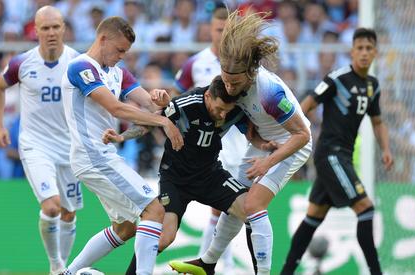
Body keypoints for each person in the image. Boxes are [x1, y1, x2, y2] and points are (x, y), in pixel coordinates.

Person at [171, 11, 312, 275]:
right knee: (233, 200)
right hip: (265, 144)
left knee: (253, 205)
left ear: (250, 72)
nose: (229, 87)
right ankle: (208, 262)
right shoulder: (230, 84)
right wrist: (256, 138)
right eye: (225, 79)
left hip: (291, 145)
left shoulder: (269, 91)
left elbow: (302, 135)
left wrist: (267, 162)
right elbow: (245, 119)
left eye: (234, 82)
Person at [106, 76, 275, 275]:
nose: (222, 115)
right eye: (218, 109)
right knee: (164, 237)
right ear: (208, 96)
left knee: (251, 211)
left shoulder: (235, 109)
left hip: (210, 174)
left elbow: (251, 135)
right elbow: (151, 123)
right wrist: (121, 137)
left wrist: (266, 146)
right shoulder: (186, 103)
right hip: (175, 178)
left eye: (226, 111)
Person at [59, 16, 183, 275]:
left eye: (126, 52)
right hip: (92, 156)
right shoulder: (81, 67)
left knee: (126, 227)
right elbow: (115, 107)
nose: (122, 56)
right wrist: (161, 121)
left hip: (103, 155)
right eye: (119, 50)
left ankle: (68, 273)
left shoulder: (118, 72)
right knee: (154, 208)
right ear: (103, 39)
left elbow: (149, 104)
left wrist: (161, 99)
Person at [280, 28, 394, 275]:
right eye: (360, 48)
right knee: (366, 208)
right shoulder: (338, 78)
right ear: (352, 52)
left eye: (369, 49)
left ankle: (286, 272)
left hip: (341, 156)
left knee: (313, 216)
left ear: (375, 53)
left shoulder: (372, 86)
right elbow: (309, 102)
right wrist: (292, 132)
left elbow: (377, 121)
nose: (364, 53)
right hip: (330, 153)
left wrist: (386, 148)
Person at [0, 6, 81, 274]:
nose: (51, 33)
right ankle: (55, 265)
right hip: (35, 145)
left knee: (68, 213)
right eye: (45, 28)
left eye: (56, 27)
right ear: (36, 31)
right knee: (51, 206)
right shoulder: (22, 63)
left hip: (70, 147)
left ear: (64, 28)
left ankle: (61, 269)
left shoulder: (78, 62)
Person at [172, 6, 246, 272]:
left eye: (226, 30)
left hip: (239, 147)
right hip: (209, 148)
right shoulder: (196, 63)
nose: (222, 35)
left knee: (233, 210)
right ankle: (216, 264)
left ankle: (208, 262)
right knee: (222, 208)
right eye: (217, 30)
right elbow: (177, 98)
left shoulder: (241, 66)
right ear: (209, 31)